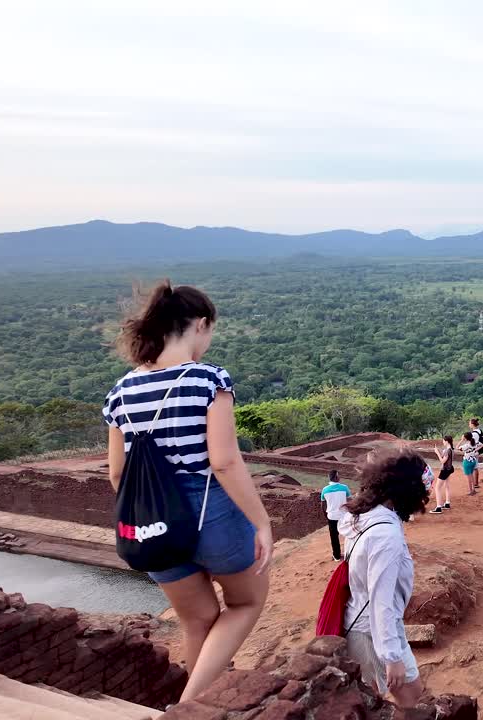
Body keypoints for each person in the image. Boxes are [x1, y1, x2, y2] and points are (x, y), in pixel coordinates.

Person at [102, 280, 274, 703]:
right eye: (209, 331)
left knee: (197, 620)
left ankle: (191, 704)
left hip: (150, 520)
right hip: (209, 508)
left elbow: (116, 473)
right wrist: (262, 522)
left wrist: (150, 513)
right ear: (200, 325)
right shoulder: (207, 380)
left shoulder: (121, 393)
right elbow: (224, 461)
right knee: (244, 605)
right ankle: (185, 707)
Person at [340, 448, 431, 708]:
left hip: (363, 624)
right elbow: (381, 600)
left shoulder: (366, 519)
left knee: (378, 697)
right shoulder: (385, 536)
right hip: (373, 630)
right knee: (410, 698)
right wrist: (392, 657)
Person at [321, 471, 350, 561]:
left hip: (332, 516)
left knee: (334, 537)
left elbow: (322, 505)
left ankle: (337, 556)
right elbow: (349, 500)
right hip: (344, 516)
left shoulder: (325, 490)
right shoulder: (344, 488)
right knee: (348, 535)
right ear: (336, 477)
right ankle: (349, 554)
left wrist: (326, 514)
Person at [430, 435, 454, 514]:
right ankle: (447, 503)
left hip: (445, 470)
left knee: (437, 488)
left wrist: (437, 453)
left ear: (446, 441)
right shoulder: (450, 449)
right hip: (449, 469)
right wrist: (440, 452)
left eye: (443, 440)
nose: (443, 442)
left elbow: (443, 461)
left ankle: (438, 507)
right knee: (447, 486)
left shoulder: (447, 450)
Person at [466, 417, 483, 489]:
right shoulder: (479, 431)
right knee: (475, 466)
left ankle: (475, 483)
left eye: (469, 423)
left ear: (472, 424)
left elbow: (473, 443)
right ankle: (475, 483)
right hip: (477, 451)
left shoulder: (474, 434)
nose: (469, 425)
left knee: (474, 467)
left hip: (474, 451)